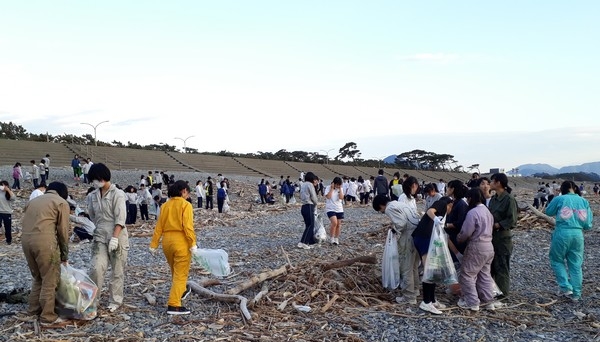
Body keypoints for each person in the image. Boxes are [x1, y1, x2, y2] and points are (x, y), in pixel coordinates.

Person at [21, 181, 70, 325]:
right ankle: (47, 315)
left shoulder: (34, 201)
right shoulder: (60, 202)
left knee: (37, 277)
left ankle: (33, 310)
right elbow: (63, 232)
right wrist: (64, 255)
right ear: (63, 192)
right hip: (44, 241)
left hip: (26, 241)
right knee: (50, 278)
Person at [149, 180, 197, 315]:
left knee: (175, 271)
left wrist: (154, 244)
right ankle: (174, 304)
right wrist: (192, 244)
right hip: (180, 241)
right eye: (187, 192)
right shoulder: (185, 205)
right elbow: (188, 227)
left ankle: (180, 291)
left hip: (167, 242)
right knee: (181, 273)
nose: (188, 195)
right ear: (183, 191)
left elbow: (159, 226)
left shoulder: (165, 205)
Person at [86, 163, 129, 313]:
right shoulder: (92, 196)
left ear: (102, 177)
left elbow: (120, 218)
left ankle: (115, 300)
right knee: (96, 268)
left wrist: (115, 238)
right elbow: (92, 215)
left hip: (117, 234)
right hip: (100, 234)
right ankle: (93, 300)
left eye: (96, 179)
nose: (94, 182)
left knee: (117, 270)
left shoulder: (117, 193)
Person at [545, 181, 593, 301]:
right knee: (576, 264)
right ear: (575, 188)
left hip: (562, 233)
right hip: (578, 234)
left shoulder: (560, 199)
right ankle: (576, 294)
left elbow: (548, 212)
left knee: (556, 260)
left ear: (562, 189)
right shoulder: (584, 201)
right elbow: (587, 224)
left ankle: (566, 287)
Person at [373, 191, 421, 306]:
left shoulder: (389, 208)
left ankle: (409, 297)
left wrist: (393, 230)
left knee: (406, 267)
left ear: (381, 206)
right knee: (414, 265)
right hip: (418, 235)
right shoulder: (398, 203)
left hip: (408, 237)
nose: (382, 212)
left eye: (380, 210)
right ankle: (415, 290)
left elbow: (401, 223)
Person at [456, 188, 498, 311]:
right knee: (484, 275)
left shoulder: (473, 213)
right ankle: (488, 301)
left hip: (477, 246)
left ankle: (472, 302)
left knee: (468, 274)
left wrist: (459, 238)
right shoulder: (487, 211)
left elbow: (466, 232)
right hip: (489, 246)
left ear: (471, 198)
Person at [412, 196, 453, 314]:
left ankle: (432, 300)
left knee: (433, 269)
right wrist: (435, 218)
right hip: (423, 239)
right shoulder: (442, 203)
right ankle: (426, 302)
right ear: (450, 204)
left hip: (425, 239)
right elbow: (430, 211)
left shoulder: (443, 208)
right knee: (429, 269)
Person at [488, 173, 518, 298]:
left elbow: (512, 220)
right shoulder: (494, 199)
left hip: (502, 238)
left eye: (492, 181)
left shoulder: (509, 199)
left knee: (502, 267)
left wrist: (497, 225)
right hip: (491, 238)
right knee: (491, 266)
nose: (490, 184)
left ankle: (503, 295)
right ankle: (492, 292)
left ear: (498, 183)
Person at [298, 172, 319, 249]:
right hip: (309, 205)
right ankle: (303, 242)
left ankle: (310, 241)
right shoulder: (310, 185)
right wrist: (316, 203)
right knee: (311, 225)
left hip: (303, 206)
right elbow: (313, 196)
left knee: (308, 225)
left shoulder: (303, 184)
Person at [325, 177, 344, 245]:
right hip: (330, 208)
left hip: (339, 208)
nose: (338, 186)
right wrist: (332, 188)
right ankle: (332, 238)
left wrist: (340, 190)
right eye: (337, 185)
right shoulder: (328, 188)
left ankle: (336, 238)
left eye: (339, 185)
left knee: (339, 224)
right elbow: (328, 197)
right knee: (334, 223)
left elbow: (341, 198)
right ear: (334, 183)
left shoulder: (340, 189)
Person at [0, 181, 16, 245]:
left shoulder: (9, 192)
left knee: (8, 227)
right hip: (0, 212)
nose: (3, 187)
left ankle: (9, 240)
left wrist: (8, 190)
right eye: (1, 185)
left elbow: (13, 198)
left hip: (7, 212)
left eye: (4, 185)